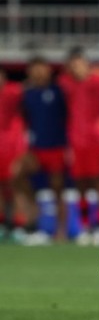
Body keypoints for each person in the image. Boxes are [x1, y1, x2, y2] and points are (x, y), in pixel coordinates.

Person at [58, 47, 99, 245]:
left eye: (80, 64)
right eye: (74, 65)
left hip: (96, 141)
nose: (77, 68)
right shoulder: (66, 84)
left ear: (87, 64)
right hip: (76, 141)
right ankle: (84, 227)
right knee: (80, 186)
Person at [18, 56, 69, 241]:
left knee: (58, 189)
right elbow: (25, 121)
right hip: (35, 149)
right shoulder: (27, 94)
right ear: (29, 72)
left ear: (48, 70)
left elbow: (68, 117)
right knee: (17, 176)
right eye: (34, 69)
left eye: (42, 68)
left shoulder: (58, 91)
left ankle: (61, 231)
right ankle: (33, 221)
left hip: (56, 147)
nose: (38, 72)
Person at [0, 67, 28, 241]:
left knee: (17, 186)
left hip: (14, 149)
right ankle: (2, 225)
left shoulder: (14, 92)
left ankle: (20, 226)